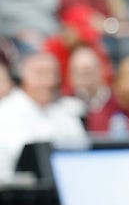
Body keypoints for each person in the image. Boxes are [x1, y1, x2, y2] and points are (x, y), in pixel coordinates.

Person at [0, 52, 86, 181]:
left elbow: (81, 155)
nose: (48, 81)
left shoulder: (66, 113)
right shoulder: (5, 113)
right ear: (23, 76)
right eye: (40, 74)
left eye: (53, 74)